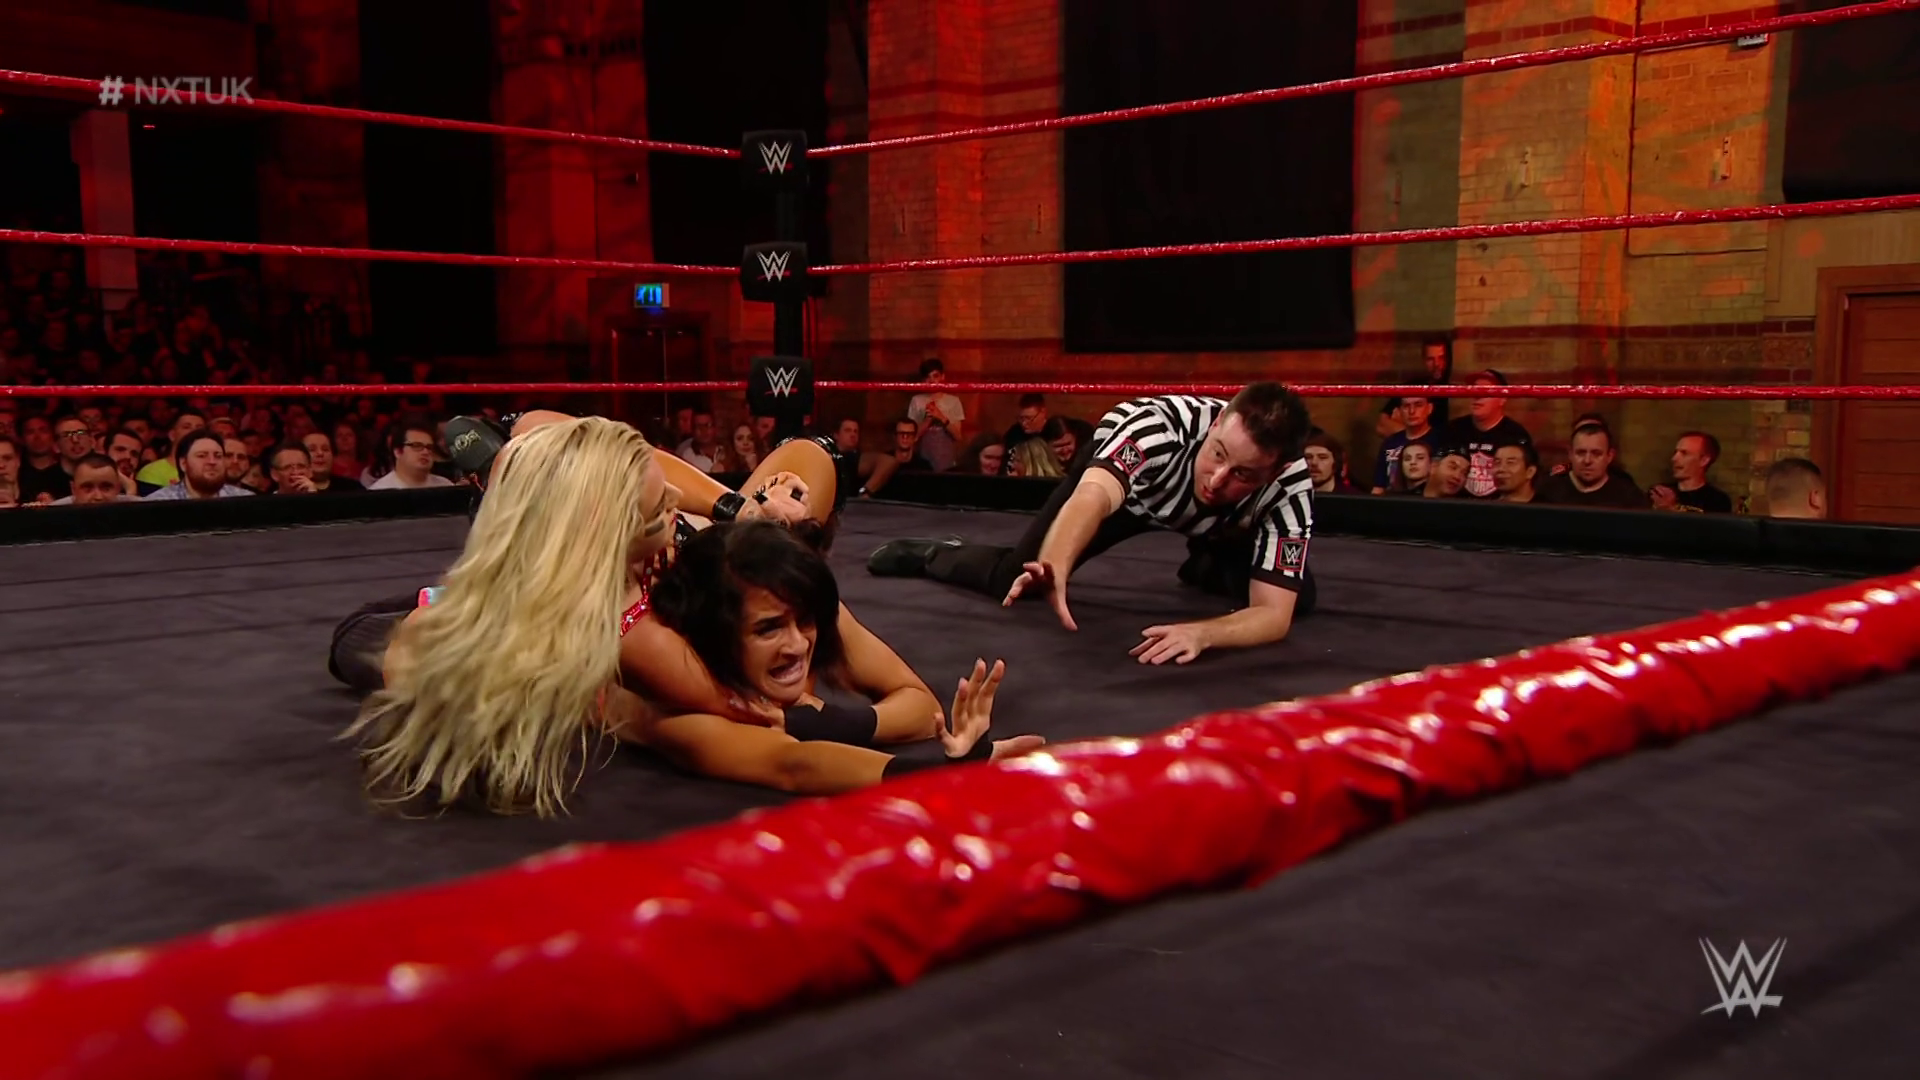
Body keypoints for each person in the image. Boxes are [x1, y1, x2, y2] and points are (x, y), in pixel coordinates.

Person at [346, 418, 1033, 815]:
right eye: (661, 513)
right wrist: (943, 771)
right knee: (392, 644)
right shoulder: (648, 667)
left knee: (808, 457)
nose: (798, 641)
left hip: (586, 583)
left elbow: (910, 710)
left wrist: (741, 510)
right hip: (507, 620)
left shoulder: (753, 577)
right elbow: (783, 754)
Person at [868, 383, 1317, 666]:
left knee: (1299, 594)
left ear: (1275, 472)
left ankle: (1204, 560)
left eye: (1243, 474)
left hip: (1221, 526)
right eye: (1217, 454)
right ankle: (935, 553)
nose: (1217, 479)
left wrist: (1204, 632)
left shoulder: (1289, 485)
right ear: (1216, 423)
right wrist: (1054, 563)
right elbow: (1092, 497)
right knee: (1019, 576)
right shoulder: (1158, 427)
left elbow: (1273, 614)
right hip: (1127, 495)